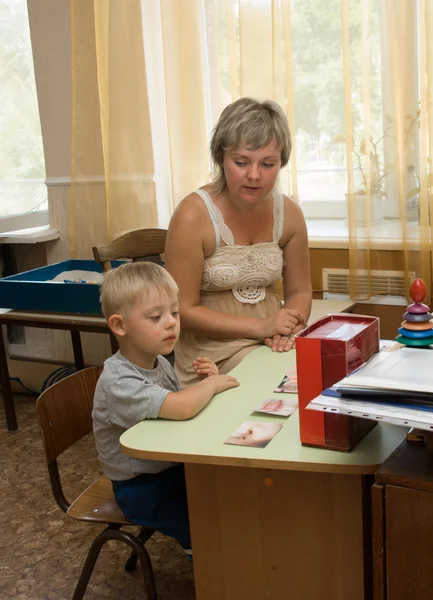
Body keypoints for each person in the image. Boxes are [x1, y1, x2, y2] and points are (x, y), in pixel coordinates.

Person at [92, 262, 239, 555]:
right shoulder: (119, 380)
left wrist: (204, 382)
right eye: (156, 316)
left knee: (228, 496)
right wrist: (208, 388)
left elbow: (173, 407)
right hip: (140, 489)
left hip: (167, 468)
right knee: (209, 529)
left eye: (174, 312)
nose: (171, 322)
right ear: (120, 325)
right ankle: (215, 572)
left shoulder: (157, 362)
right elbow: (181, 407)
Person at [165, 97, 312, 388]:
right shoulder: (193, 216)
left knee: (320, 376)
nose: (254, 175)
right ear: (221, 157)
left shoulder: (290, 214)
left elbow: (300, 290)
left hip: (273, 342)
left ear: (281, 161)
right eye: (241, 162)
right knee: (282, 386)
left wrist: (289, 327)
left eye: (268, 164)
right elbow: (183, 308)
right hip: (210, 355)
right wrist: (259, 326)